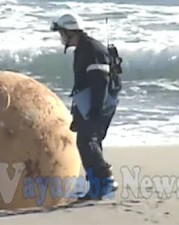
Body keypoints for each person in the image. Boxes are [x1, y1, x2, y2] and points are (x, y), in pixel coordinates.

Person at [50, 12, 123, 200]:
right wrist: (79, 115)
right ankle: (96, 188)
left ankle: (106, 179)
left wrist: (95, 111)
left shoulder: (92, 49)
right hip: (91, 102)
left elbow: (100, 81)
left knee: (86, 140)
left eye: (62, 33)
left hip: (102, 102)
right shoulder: (82, 49)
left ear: (70, 32)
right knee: (90, 141)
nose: (61, 37)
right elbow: (83, 85)